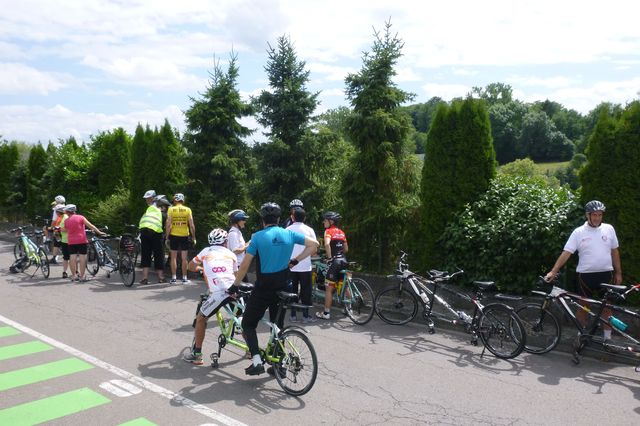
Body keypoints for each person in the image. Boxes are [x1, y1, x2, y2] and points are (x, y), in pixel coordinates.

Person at [231, 202, 319, 376]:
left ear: (262, 219)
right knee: (276, 326)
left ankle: (256, 361)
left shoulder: (257, 237)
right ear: (279, 219)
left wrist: (234, 285)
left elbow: (245, 266)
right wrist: (296, 260)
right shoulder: (289, 233)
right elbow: (314, 244)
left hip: (264, 287)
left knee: (247, 323)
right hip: (284, 285)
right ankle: (279, 367)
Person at [545, 200, 622, 341]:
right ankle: (581, 335)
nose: (597, 218)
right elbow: (566, 253)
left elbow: (615, 252)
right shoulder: (579, 232)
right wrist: (553, 271)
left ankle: (607, 339)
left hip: (606, 275)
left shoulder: (609, 229)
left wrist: (618, 273)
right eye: (594, 215)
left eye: (600, 215)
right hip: (586, 277)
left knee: (607, 308)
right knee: (583, 307)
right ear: (588, 215)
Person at [183, 228, 238, 365]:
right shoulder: (231, 255)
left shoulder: (205, 252)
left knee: (201, 318)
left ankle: (197, 354)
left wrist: (202, 269)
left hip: (219, 292)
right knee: (240, 319)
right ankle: (250, 351)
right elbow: (235, 275)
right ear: (225, 242)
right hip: (233, 290)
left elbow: (190, 266)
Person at [286, 207, 317, 322]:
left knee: (292, 291)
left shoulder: (287, 229)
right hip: (305, 266)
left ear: (292, 217)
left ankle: (292, 315)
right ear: (304, 217)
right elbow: (314, 249)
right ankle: (305, 316)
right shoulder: (309, 230)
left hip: (290, 266)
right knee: (306, 291)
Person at [316, 211, 348, 320]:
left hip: (335, 262)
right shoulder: (341, 232)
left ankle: (326, 313)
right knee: (343, 285)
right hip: (343, 260)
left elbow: (326, 244)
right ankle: (348, 308)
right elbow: (346, 249)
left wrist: (329, 258)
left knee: (329, 288)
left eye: (325, 220)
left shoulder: (328, 231)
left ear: (331, 221)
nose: (323, 222)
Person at [61, 204, 105, 282]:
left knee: (72, 258)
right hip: (81, 240)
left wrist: (59, 229)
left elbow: (65, 230)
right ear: (74, 211)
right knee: (82, 258)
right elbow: (91, 226)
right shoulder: (81, 217)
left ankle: (74, 276)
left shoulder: (66, 221)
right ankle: (82, 276)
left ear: (67, 212)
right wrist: (99, 232)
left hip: (71, 241)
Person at [166, 193, 196, 285]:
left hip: (174, 235)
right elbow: (191, 225)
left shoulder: (171, 209)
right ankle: (184, 278)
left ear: (175, 200)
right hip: (184, 235)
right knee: (184, 258)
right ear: (183, 200)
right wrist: (194, 237)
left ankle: (174, 278)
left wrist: (167, 237)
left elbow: (168, 224)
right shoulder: (188, 210)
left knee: (173, 257)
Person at [138, 190, 166, 285]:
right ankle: (161, 277)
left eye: (149, 198)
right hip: (155, 232)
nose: (147, 200)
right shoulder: (160, 208)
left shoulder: (150, 209)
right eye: (146, 199)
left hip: (144, 231)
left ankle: (145, 278)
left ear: (154, 198)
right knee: (159, 254)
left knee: (145, 254)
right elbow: (164, 222)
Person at [227, 209, 250, 281]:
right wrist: (247, 245)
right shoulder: (233, 233)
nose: (244, 221)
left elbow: (241, 246)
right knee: (244, 288)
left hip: (240, 264)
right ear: (237, 221)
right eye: (243, 219)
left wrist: (249, 242)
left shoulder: (237, 232)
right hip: (237, 266)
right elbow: (236, 251)